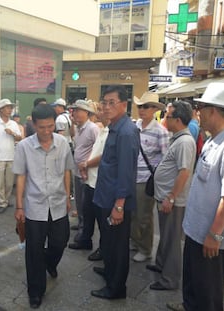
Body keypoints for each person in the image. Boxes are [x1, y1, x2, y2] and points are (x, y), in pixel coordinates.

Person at [177, 83, 224, 311]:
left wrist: (215, 234)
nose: (197, 113)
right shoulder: (213, 139)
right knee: (193, 287)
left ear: (213, 111)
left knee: (207, 296)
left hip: (210, 238)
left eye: (200, 108)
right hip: (196, 231)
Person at [13, 104, 74, 309]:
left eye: (50, 126)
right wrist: (19, 207)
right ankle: (35, 291)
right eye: (42, 127)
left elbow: (67, 171)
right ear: (34, 125)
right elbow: (20, 176)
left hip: (57, 202)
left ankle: (49, 262)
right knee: (33, 251)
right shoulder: (24, 146)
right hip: (34, 205)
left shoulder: (63, 143)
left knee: (60, 241)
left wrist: (68, 196)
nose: (47, 131)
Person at [91, 85, 140, 300]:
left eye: (112, 102)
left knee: (118, 246)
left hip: (116, 202)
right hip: (106, 197)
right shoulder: (115, 127)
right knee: (109, 241)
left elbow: (126, 172)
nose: (107, 106)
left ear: (123, 105)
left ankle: (116, 287)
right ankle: (110, 271)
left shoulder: (127, 132)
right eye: (105, 102)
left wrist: (119, 205)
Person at [148, 100, 196, 291]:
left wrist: (171, 197)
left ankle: (170, 279)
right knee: (166, 236)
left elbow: (184, 172)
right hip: (166, 197)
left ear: (178, 120)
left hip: (172, 201)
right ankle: (161, 264)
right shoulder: (177, 138)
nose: (165, 119)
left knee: (171, 239)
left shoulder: (184, 142)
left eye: (168, 116)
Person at [130, 92, 168, 263]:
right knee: (131, 214)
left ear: (154, 109)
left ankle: (145, 249)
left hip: (146, 179)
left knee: (144, 216)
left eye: (145, 106)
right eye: (140, 106)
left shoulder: (160, 131)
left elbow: (165, 157)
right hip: (130, 177)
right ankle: (135, 241)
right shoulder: (134, 126)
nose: (142, 110)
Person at [76, 101, 110, 261]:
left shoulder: (108, 131)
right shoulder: (102, 130)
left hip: (100, 182)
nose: (99, 113)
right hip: (90, 178)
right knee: (88, 213)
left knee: (102, 220)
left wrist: (86, 164)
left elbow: (104, 157)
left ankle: (104, 250)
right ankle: (85, 240)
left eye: (101, 110)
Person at [68, 99, 99, 248]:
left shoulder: (92, 128)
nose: (75, 113)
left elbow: (98, 149)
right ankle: (81, 224)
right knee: (79, 202)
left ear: (87, 113)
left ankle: (84, 233)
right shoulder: (79, 128)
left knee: (86, 204)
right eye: (74, 110)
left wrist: (87, 164)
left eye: (78, 110)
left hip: (87, 172)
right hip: (77, 170)